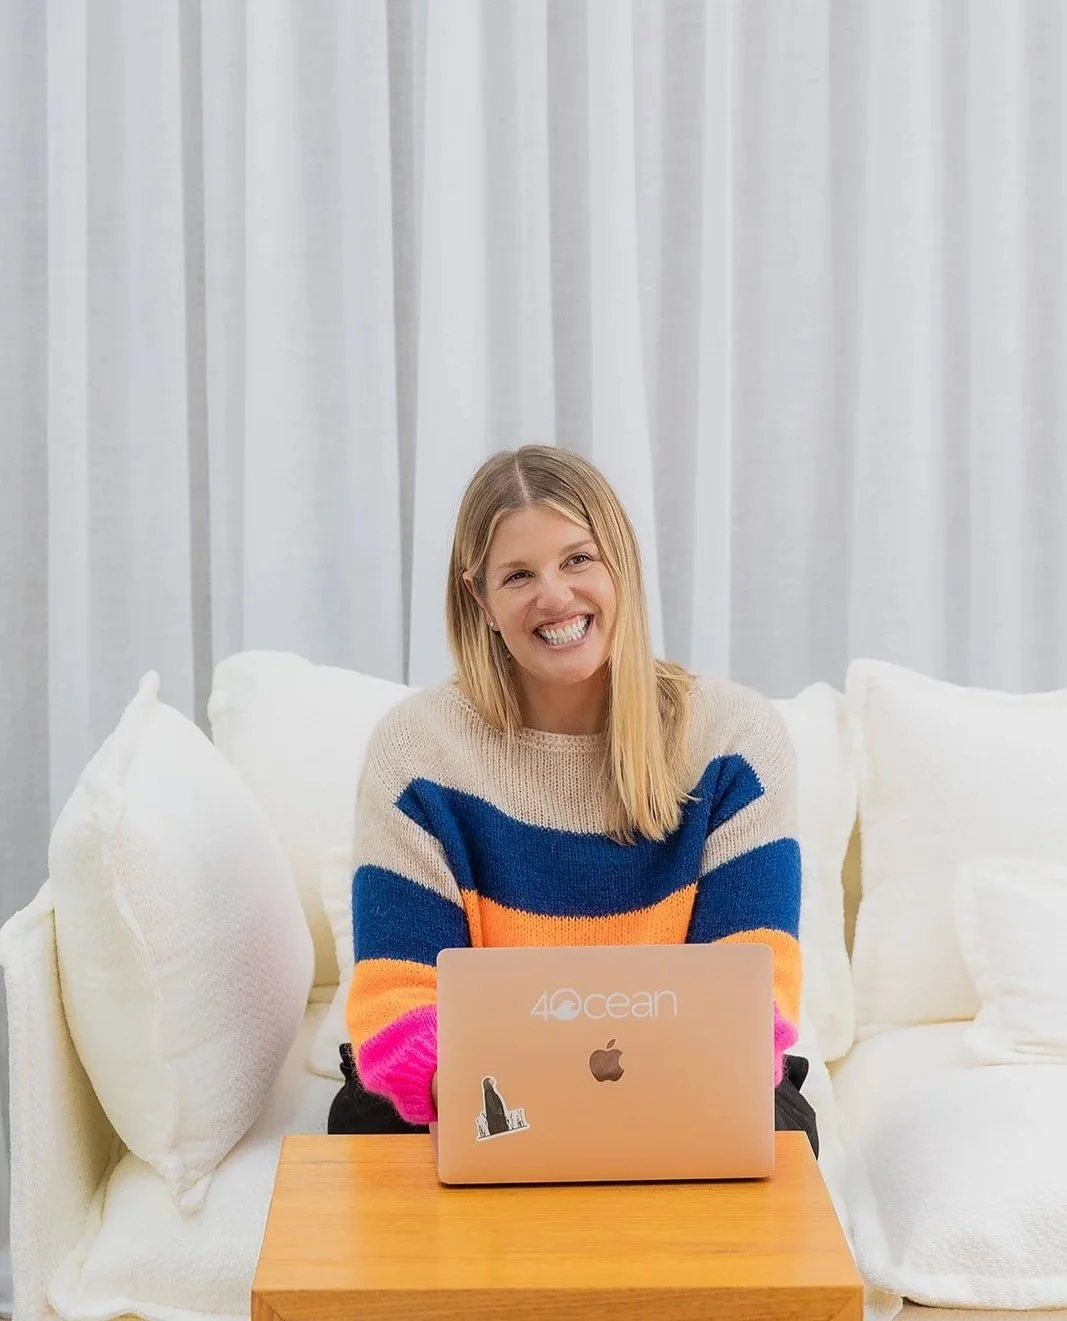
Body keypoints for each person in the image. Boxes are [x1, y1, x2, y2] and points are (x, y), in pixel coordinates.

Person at [328, 446, 818, 1156]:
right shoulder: (416, 752)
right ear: (481, 601)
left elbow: (753, 982)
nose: (554, 597)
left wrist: (616, 1113)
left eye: (578, 559)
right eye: (519, 575)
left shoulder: (733, 738)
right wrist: (507, 1110)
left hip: (681, 1076)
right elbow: (399, 994)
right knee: (368, 1134)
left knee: (781, 1134)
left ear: (620, 564)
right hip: (476, 1086)